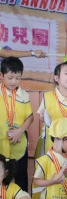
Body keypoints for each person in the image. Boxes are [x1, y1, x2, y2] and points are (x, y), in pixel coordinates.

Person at [35, 61, 67, 157]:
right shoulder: (48, 96)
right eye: (66, 73)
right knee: (49, 165)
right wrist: (42, 117)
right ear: (57, 78)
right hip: (50, 139)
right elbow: (41, 119)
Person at [0, 57, 33, 192]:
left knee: (21, 177)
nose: (14, 81)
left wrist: (20, 131)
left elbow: (30, 117)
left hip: (19, 141)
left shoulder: (24, 95)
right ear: (1, 76)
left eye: (18, 78)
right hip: (1, 141)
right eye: (10, 77)